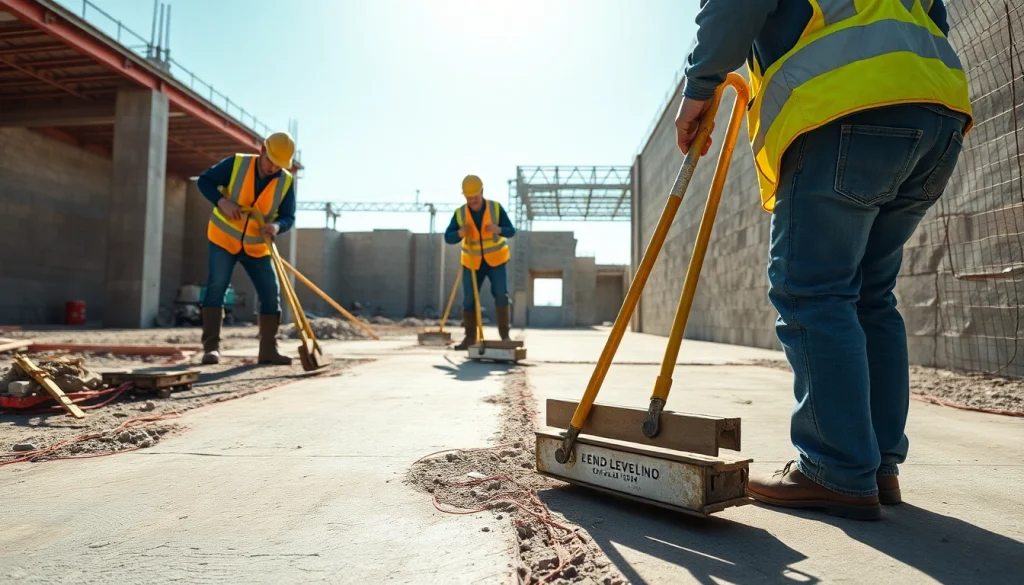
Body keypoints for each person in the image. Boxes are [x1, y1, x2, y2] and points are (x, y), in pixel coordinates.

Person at [676, 0, 973, 520]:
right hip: (935, 109)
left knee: (813, 292)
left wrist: (700, 87)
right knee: (871, 296)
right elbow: (935, 18)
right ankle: (876, 465)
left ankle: (835, 469)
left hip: (843, 107)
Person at [196, 132, 298, 366]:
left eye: (279, 164)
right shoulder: (237, 164)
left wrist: (275, 226)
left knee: (271, 294)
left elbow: (288, 217)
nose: (274, 168)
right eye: (271, 160)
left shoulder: (286, 182)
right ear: (262, 150)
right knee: (216, 288)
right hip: (224, 239)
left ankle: (268, 350)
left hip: (256, 246)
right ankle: (211, 349)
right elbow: (205, 181)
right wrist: (223, 201)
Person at [444, 174, 517, 349]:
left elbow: (511, 231)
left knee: (501, 295)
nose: (472, 201)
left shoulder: (496, 208)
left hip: (496, 261)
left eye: (475, 197)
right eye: (469, 198)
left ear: (482, 192)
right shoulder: (460, 213)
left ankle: (505, 336)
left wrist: (498, 229)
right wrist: (460, 233)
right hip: (471, 262)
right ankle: (470, 338)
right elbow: (448, 237)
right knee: (469, 299)